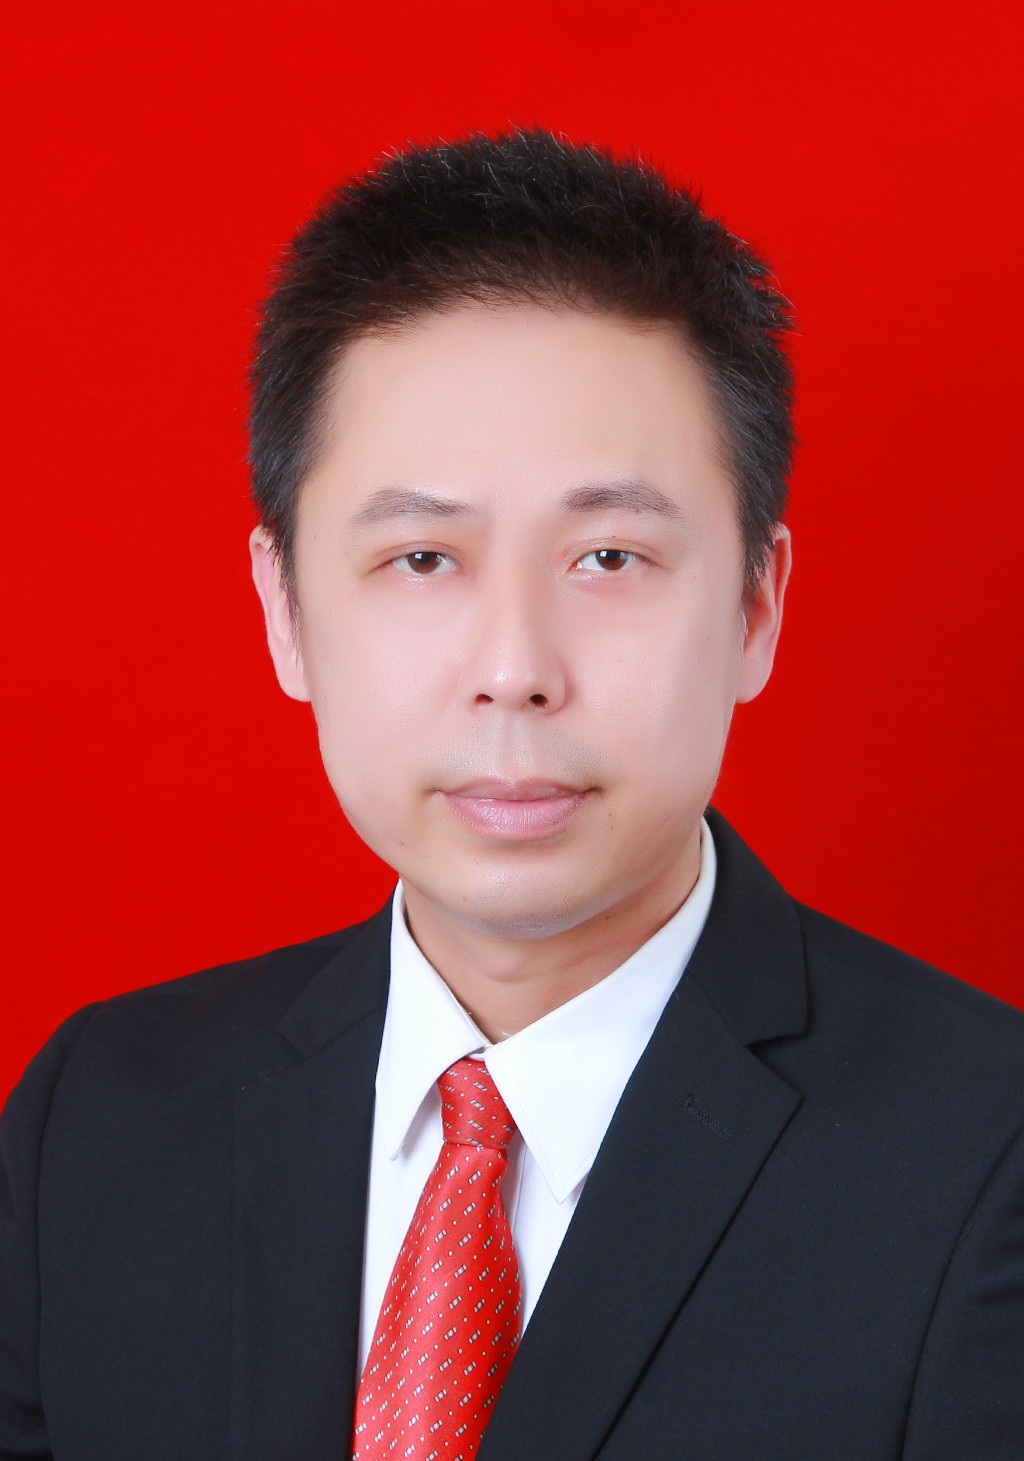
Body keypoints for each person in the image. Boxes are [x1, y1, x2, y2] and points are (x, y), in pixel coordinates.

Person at [1, 128, 1022, 1461]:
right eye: (423, 557)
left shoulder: (987, 1162)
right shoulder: (96, 1124)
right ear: (284, 611)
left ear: (757, 607)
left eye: (610, 556)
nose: (514, 670)